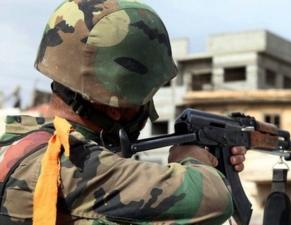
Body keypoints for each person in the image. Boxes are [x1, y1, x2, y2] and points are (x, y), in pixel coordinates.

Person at [0, 1, 247, 225]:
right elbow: (214, 198)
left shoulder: (16, 141)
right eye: (146, 97)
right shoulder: (73, 162)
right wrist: (193, 159)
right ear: (116, 106)